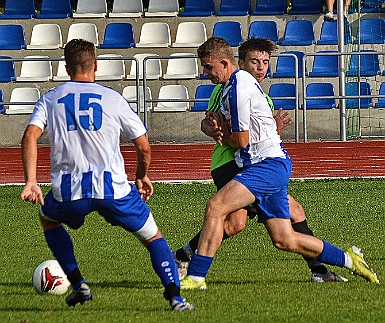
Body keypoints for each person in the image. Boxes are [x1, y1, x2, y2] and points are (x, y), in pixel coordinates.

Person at [179, 37, 379, 290]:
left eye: (208, 67)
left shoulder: (239, 87)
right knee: (284, 239)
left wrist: (223, 135)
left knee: (216, 207)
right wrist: (214, 128)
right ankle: (350, 260)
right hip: (267, 165)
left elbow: (241, 141)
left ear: (225, 62)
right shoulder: (232, 87)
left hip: (265, 166)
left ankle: (196, 276)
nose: (205, 73)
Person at [20, 39, 196, 312]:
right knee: (153, 238)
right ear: (96, 66)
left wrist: (31, 181)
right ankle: (176, 298)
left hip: (69, 192)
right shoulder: (113, 98)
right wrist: (141, 176)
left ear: (66, 68)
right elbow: (143, 146)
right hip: (114, 190)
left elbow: (30, 136)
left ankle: (78, 284)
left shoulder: (51, 99)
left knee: (47, 219)